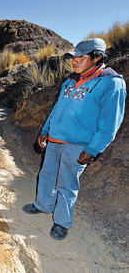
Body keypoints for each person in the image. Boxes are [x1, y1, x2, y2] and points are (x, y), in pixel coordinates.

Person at [22, 38, 126, 240]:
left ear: (97, 57)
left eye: (81, 57)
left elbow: (110, 123)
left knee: (66, 184)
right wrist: (45, 130)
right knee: (46, 175)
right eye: (73, 57)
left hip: (78, 145)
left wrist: (94, 149)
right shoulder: (70, 80)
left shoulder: (112, 83)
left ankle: (62, 223)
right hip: (55, 139)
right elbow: (57, 108)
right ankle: (43, 205)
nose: (75, 61)